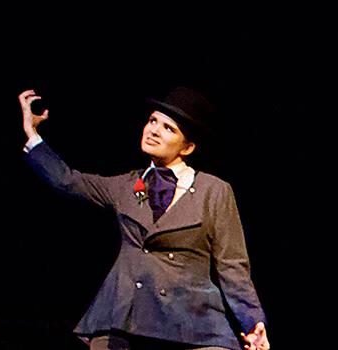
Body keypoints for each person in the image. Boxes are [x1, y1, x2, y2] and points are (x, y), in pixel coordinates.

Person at [19, 88, 270, 350]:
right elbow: (67, 180)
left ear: (188, 147)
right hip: (125, 317)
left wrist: (252, 323)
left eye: (168, 128)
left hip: (193, 324)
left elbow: (231, 265)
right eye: (152, 121)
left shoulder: (214, 191)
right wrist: (32, 135)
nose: (154, 131)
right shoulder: (128, 185)